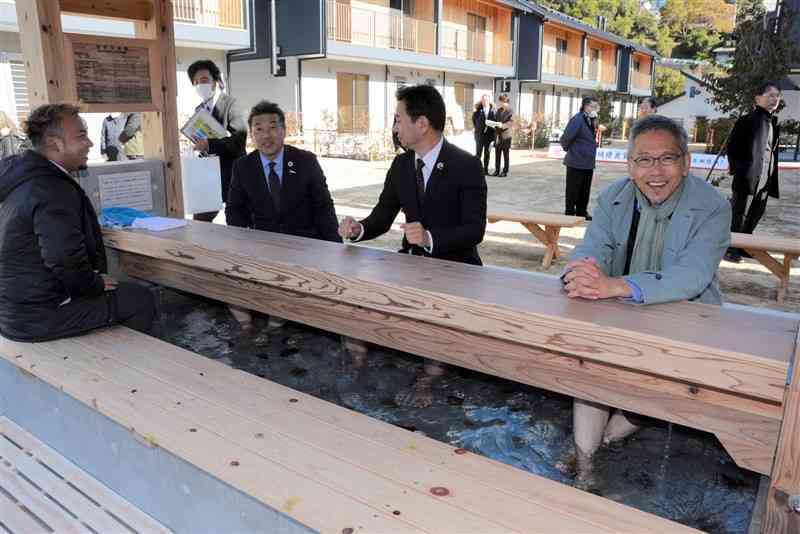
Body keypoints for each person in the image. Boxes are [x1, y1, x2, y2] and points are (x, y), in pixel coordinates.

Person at [562, 115, 731, 487]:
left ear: (686, 163)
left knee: (653, 397)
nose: (656, 171)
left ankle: (598, 446)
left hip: (689, 318)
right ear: (630, 165)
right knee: (588, 370)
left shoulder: (713, 207)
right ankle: (586, 475)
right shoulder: (613, 197)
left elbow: (693, 275)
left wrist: (616, 286)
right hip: (621, 310)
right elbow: (592, 250)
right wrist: (581, 272)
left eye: (667, 159)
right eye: (644, 160)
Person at [339, 84, 487, 407]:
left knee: (434, 335)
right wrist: (357, 228)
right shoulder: (402, 166)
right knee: (358, 305)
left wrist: (431, 238)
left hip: (456, 268)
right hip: (409, 266)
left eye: (398, 119)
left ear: (421, 124)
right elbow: (382, 216)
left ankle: (428, 380)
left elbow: (475, 230)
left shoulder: (467, 165)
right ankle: (359, 365)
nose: (395, 127)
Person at [0, 104, 156, 342]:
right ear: (55, 143)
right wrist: (93, 284)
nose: (90, 144)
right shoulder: (51, 188)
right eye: (81, 136)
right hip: (37, 317)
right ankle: (122, 369)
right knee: (139, 299)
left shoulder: (24, 176)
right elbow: (63, 257)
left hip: (14, 311)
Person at [225, 100, 341, 329]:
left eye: (273, 127)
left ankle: (278, 322)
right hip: (264, 246)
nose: (266, 135)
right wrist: (242, 243)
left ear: (284, 131)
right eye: (259, 129)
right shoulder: (243, 166)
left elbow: (323, 206)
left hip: (304, 245)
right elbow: (234, 210)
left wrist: (334, 248)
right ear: (251, 134)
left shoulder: (305, 161)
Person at [724, 81, 781, 263]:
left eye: (777, 96)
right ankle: (731, 248)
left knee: (756, 212)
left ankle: (745, 246)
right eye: (770, 95)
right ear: (758, 98)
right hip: (747, 176)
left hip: (766, 177)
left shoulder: (773, 122)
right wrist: (739, 169)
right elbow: (732, 147)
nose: (774, 99)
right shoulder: (747, 120)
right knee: (739, 214)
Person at [187, 59, 248, 222]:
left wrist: (210, 144)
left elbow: (239, 140)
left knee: (236, 221)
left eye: (204, 80)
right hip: (208, 174)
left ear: (216, 81)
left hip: (232, 173)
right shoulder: (199, 109)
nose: (200, 85)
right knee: (200, 221)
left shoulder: (230, 104)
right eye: (196, 82)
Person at [561, 97, 599, 220]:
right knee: (573, 189)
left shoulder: (591, 120)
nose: (595, 109)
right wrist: (570, 150)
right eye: (593, 106)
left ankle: (582, 212)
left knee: (585, 189)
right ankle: (570, 212)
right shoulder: (578, 119)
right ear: (586, 106)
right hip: (576, 161)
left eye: (595, 107)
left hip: (588, 162)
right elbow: (566, 137)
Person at [472, 94, 495, 174]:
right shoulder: (477, 111)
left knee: (487, 154)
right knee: (478, 154)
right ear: (481, 101)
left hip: (489, 136)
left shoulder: (493, 111)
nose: (485, 102)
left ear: (489, 101)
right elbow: (474, 122)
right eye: (483, 100)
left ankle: (485, 170)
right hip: (479, 136)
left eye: (486, 100)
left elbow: (495, 124)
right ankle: (477, 170)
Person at [492, 94, 513, 177]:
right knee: (497, 153)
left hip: (506, 136)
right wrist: (493, 124)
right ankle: (497, 170)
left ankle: (505, 171)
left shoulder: (510, 111)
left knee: (505, 154)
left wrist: (503, 125)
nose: (501, 103)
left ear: (507, 102)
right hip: (498, 135)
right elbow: (495, 119)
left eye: (503, 101)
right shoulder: (498, 110)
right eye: (501, 101)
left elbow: (511, 122)